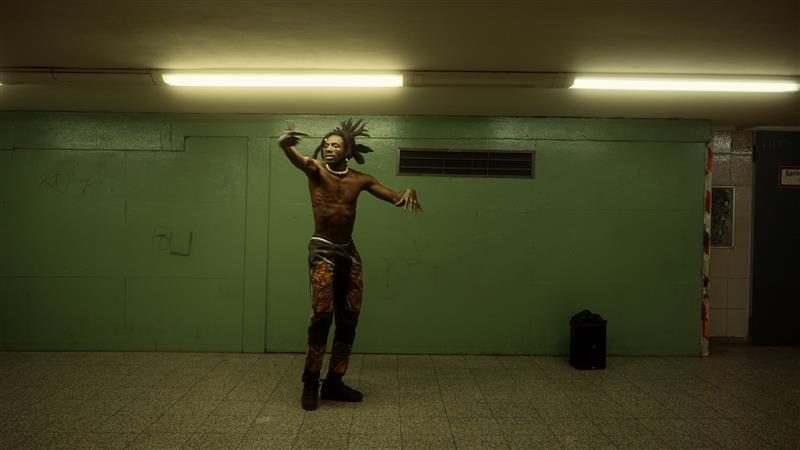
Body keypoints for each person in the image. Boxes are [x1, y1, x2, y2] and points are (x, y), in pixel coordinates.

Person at [278, 118, 422, 411]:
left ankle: (334, 382)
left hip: (349, 252)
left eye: (335, 145)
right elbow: (299, 159)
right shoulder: (316, 171)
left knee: (349, 318)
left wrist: (408, 190)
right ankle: (310, 382)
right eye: (326, 145)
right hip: (322, 250)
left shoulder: (361, 180)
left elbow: (394, 197)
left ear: (348, 150)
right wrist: (285, 147)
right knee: (321, 318)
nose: (328, 149)